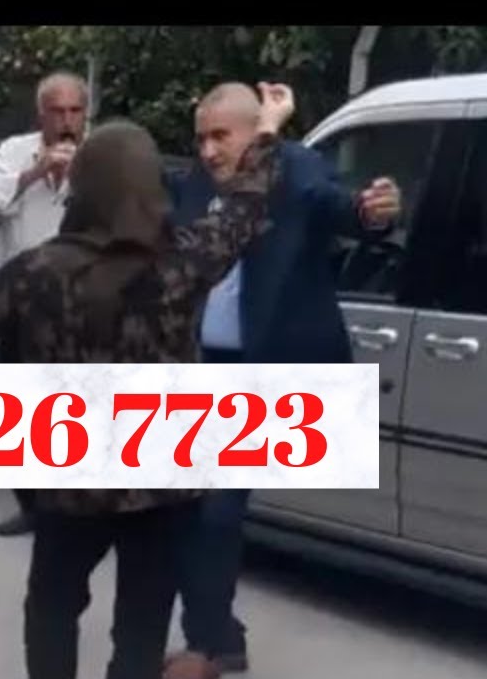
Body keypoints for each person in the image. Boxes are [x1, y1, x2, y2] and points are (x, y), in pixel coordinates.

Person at [0, 83, 297, 679]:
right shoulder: (184, 263)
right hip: (164, 481)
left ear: (84, 187)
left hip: (72, 479)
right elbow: (245, 208)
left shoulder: (42, 269)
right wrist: (267, 130)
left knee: (53, 603)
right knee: (144, 620)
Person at [163, 82, 402, 675]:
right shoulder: (193, 184)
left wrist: (374, 212)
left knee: (216, 510)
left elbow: (339, 207)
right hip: (201, 368)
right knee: (186, 511)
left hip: (261, 372)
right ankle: (221, 634)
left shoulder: (297, 168)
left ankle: (207, 645)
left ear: (254, 130)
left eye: (221, 136)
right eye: (201, 138)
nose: (209, 150)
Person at [0, 70, 89, 537]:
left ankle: (68, 508)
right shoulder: (16, 150)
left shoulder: (100, 156)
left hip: (79, 305)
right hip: (20, 304)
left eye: (75, 111)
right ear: (41, 115)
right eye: (57, 111)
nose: (66, 121)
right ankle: (32, 505)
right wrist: (34, 172)